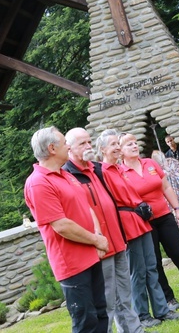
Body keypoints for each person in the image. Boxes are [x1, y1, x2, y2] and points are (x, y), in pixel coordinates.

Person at [24, 127, 109, 333]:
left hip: (90, 255)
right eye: (64, 143)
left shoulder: (65, 174)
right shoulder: (38, 183)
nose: (69, 146)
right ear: (52, 148)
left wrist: (97, 236)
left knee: (100, 313)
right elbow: (61, 225)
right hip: (72, 264)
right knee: (85, 322)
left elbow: (86, 206)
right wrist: (96, 240)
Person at [118, 135, 179, 312]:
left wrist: (177, 209)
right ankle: (169, 299)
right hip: (143, 223)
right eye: (129, 144)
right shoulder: (120, 173)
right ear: (120, 150)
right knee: (154, 262)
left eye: (135, 143)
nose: (134, 146)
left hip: (164, 216)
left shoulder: (150, 163)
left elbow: (166, 187)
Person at [99, 131, 179, 329]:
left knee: (152, 266)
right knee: (138, 272)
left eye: (117, 144)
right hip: (128, 223)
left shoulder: (119, 169)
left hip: (141, 219)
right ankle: (143, 314)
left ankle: (161, 309)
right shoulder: (103, 172)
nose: (117, 148)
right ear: (102, 149)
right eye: (113, 145)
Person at [63, 128, 143, 333]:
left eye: (89, 142)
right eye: (82, 144)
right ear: (69, 148)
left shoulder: (97, 168)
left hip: (117, 239)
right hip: (99, 245)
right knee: (106, 300)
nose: (88, 146)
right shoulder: (68, 175)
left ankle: (134, 330)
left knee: (125, 293)